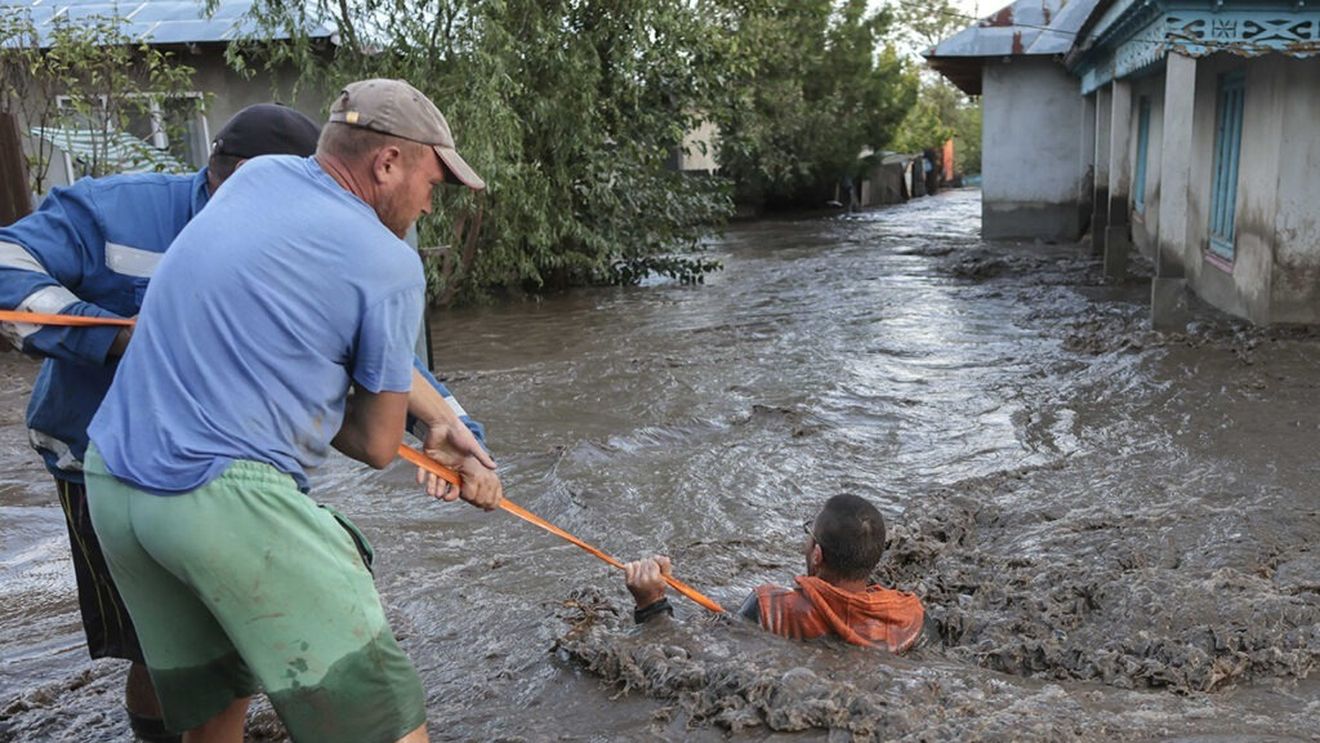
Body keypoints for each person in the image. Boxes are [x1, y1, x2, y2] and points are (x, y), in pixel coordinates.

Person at [83, 78, 500, 743]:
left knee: (217, 707)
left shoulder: (258, 178)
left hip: (113, 485)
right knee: (383, 715)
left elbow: (280, 340)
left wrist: (441, 419)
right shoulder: (390, 263)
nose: (430, 200)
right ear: (387, 163)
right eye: (432, 180)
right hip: (217, 497)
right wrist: (441, 440)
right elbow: (376, 443)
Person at [0, 103, 318, 743]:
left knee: (239, 627)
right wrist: (117, 338)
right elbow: (7, 263)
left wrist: (450, 429)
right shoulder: (115, 211)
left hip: (233, 468)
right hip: (97, 462)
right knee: (154, 642)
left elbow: (374, 358)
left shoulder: (307, 237)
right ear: (225, 177)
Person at [624, 494, 925, 653]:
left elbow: (688, 653)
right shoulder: (911, 616)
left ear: (817, 555)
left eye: (810, 533)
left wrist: (651, 605)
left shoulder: (769, 608)